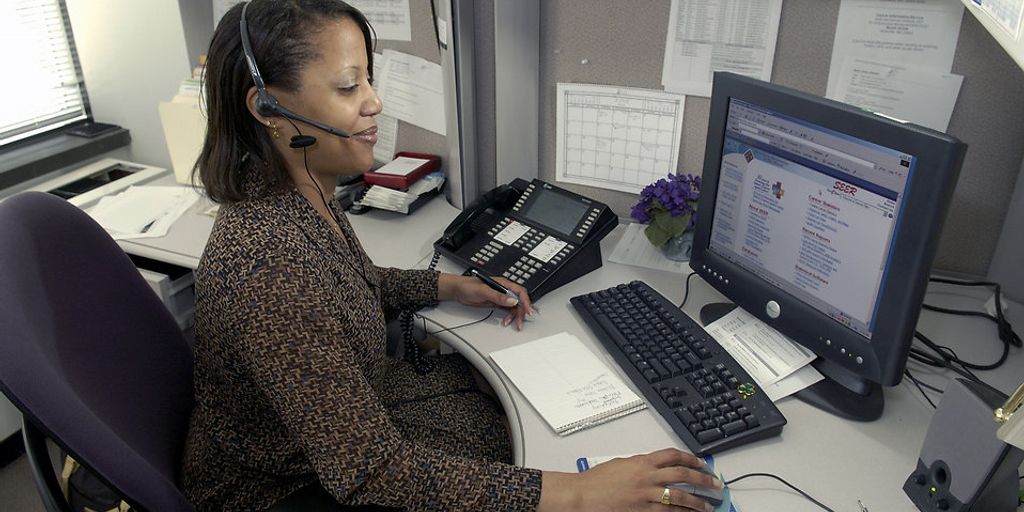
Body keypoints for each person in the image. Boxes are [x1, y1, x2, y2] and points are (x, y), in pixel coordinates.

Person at [180, 1, 723, 511]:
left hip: (339, 429)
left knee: (504, 413)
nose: (374, 102)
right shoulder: (269, 269)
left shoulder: (299, 189)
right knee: (529, 453)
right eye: (348, 87)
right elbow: (371, 473)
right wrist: (577, 494)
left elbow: (347, 283)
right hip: (284, 487)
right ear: (269, 108)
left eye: (368, 78)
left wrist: (451, 287)